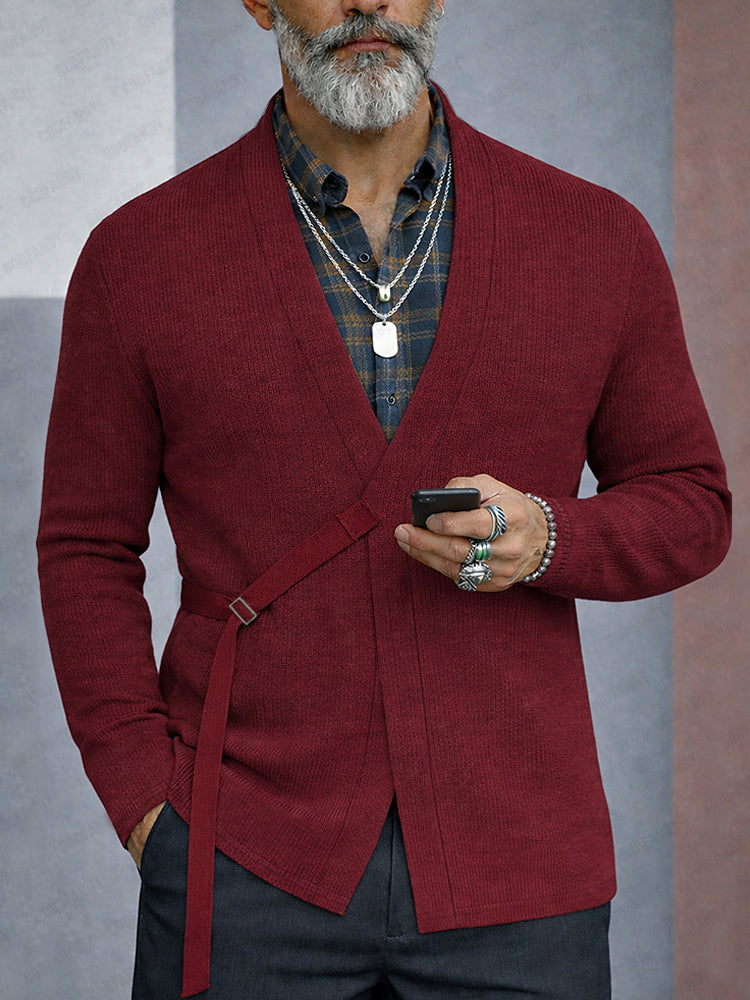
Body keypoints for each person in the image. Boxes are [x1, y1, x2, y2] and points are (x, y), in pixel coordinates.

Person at [37, 1, 731, 998]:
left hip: (523, 868)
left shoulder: (595, 238)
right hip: (240, 862)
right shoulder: (139, 256)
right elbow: (85, 547)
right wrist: (148, 804)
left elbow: (693, 503)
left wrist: (550, 537)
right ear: (258, 2)